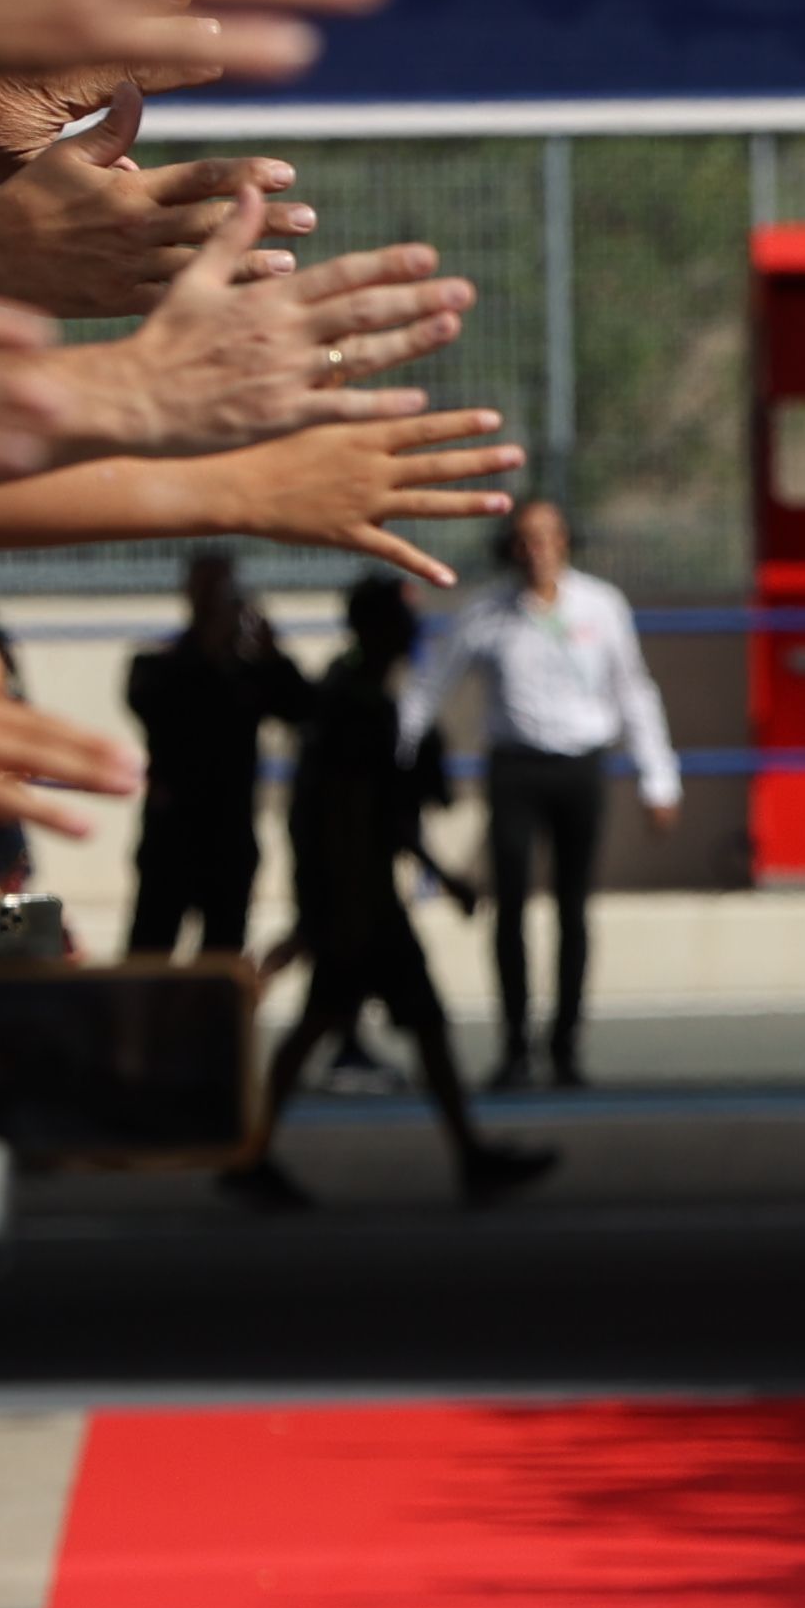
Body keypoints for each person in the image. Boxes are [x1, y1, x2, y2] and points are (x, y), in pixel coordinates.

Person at [227, 578, 560, 1212]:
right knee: (346, 1026)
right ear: (377, 629)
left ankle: (465, 1155)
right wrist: (341, 908)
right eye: (404, 623)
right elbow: (369, 817)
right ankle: (251, 1155)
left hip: (357, 899)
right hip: (363, 905)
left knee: (378, 1026)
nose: (415, 635)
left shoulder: (349, 695)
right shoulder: (361, 708)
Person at [407, 499, 680, 1090]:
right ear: (510, 547)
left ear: (566, 543)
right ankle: (513, 1047)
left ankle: (565, 1046)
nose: (538, 551)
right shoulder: (487, 612)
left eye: (549, 538)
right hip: (515, 769)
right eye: (526, 540)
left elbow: (633, 691)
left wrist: (658, 777)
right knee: (510, 907)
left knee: (573, 910)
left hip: (580, 767)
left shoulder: (601, 606)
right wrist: (397, 752)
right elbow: (431, 688)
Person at [125, 547, 305, 956]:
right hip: (171, 841)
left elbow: (302, 708)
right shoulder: (159, 667)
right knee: (148, 960)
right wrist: (211, 647)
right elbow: (156, 706)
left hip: (229, 840)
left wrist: (271, 652)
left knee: (221, 966)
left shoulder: (249, 672)